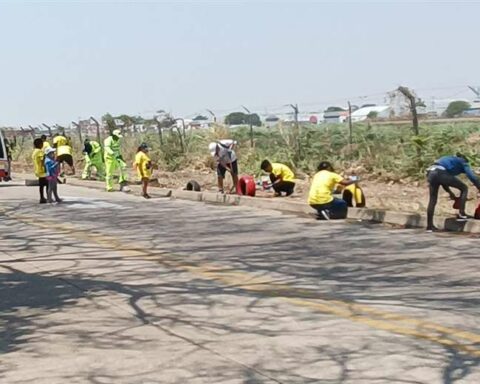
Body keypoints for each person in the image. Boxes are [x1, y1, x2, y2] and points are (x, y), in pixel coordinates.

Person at [426, 153, 480, 232]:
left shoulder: (447, 159)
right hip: (440, 173)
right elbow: (472, 177)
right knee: (464, 188)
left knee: (432, 200)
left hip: (430, 172)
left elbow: (443, 181)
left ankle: (429, 227)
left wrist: (451, 193)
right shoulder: (463, 162)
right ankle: (462, 214)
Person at [32, 138, 48, 204]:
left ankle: (42, 198)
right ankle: (48, 197)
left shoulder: (34, 151)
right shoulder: (40, 152)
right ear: (40, 144)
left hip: (37, 170)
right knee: (48, 184)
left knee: (41, 185)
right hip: (43, 171)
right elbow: (43, 161)